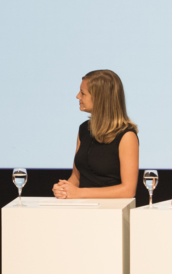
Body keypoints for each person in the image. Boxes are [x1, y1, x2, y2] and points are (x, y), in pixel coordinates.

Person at [53, 70, 139, 200]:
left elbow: (128, 190)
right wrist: (63, 189)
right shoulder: (84, 129)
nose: (77, 96)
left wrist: (79, 193)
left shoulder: (126, 135)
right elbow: (76, 177)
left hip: (111, 211)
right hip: (82, 207)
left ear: (100, 98)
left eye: (82, 93)